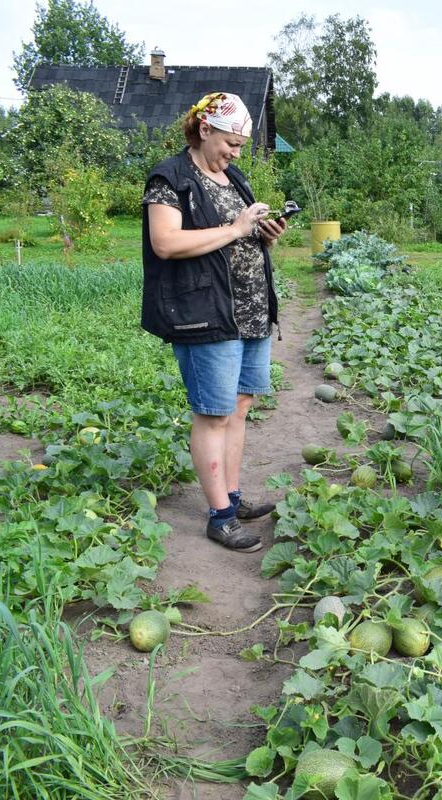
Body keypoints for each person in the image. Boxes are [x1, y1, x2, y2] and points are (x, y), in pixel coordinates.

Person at [140, 92, 287, 553]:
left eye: (241, 146)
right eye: (231, 143)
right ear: (205, 130)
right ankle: (219, 517)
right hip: (203, 315)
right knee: (213, 414)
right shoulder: (170, 178)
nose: (236, 153)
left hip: (249, 313)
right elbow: (165, 242)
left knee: (240, 406)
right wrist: (237, 229)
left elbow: (241, 237)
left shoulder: (231, 176)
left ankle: (233, 496)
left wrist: (264, 235)